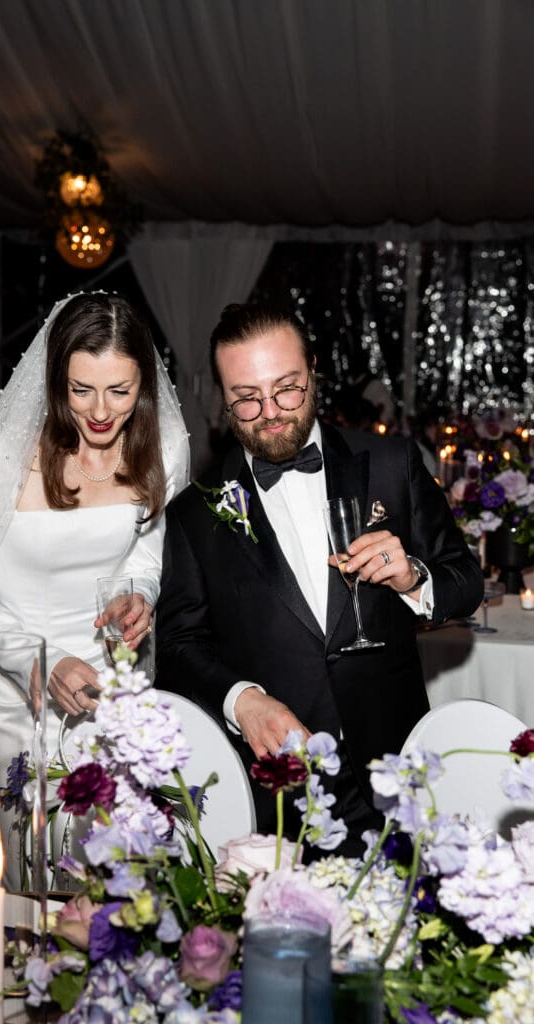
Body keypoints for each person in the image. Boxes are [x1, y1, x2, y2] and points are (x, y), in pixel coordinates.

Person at [154, 302, 483, 855]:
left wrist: (413, 579)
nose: (271, 412)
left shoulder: (391, 462)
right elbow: (178, 644)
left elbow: (465, 581)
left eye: (288, 388)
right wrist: (241, 700)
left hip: (395, 768)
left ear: (314, 373)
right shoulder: (195, 511)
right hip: (279, 789)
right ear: (222, 401)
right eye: (247, 398)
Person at [0, 291, 190, 855]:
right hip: (13, 689)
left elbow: (146, 557)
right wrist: (40, 662)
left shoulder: (164, 449)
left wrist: (137, 595)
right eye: (81, 390)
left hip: (112, 688)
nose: (100, 412)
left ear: (145, 385)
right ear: (53, 382)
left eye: (121, 391)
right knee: (23, 866)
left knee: (109, 865)